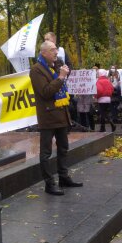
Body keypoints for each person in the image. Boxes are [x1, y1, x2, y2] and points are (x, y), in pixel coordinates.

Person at [29, 41, 83, 196]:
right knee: (46, 152)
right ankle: (49, 184)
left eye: (56, 50)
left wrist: (62, 74)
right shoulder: (36, 70)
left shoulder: (53, 67)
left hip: (60, 115)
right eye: (53, 50)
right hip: (48, 116)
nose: (56, 53)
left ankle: (63, 177)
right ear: (44, 52)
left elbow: (60, 87)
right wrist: (60, 77)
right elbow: (45, 92)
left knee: (63, 148)